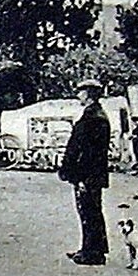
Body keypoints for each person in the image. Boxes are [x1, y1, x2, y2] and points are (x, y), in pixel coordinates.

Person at [58, 78, 111, 265]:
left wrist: (80, 177)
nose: (78, 94)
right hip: (90, 174)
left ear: (88, 94)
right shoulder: (94, 114)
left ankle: (92, 253)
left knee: (89, 212)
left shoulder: (94, 118)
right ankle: (91, 249)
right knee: (90, 212)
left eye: (81, 91)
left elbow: (88, 152)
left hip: (88, 175)